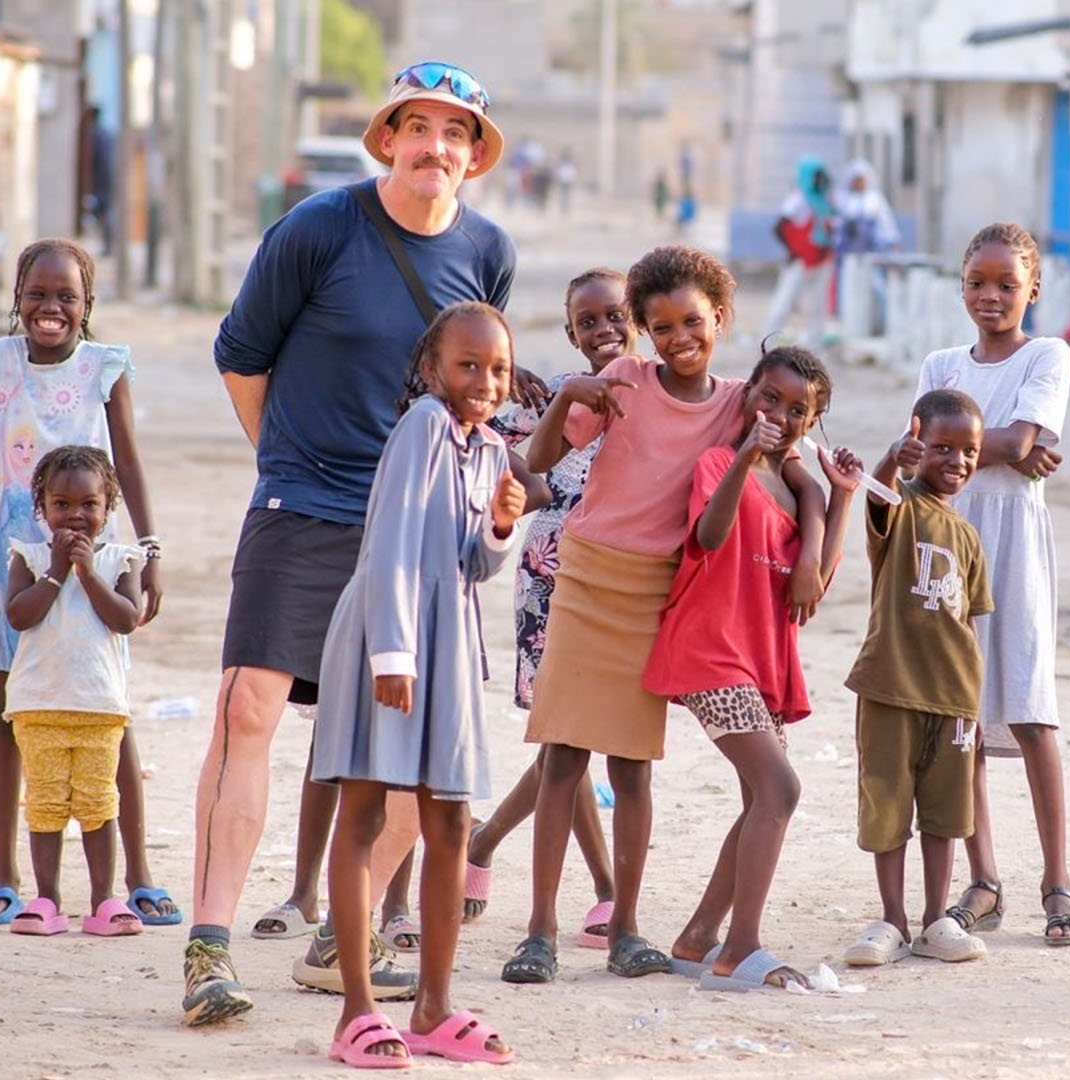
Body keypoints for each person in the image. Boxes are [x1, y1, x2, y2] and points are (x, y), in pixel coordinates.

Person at [188, 61, 522, 1026]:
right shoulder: (317, 230)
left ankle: (350, 928)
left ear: (474, 155)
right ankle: (210, 946)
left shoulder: (490, 251)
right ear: (387, 140)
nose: (435, 147)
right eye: (417, 127)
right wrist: (286, 461)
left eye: (455, 132)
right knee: (247, 708)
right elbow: (240, 356)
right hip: (304, 507)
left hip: (419, 529)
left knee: (424, 736)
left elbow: (475, 385)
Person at [507, 246, 826, 984]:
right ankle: (539, 933)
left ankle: (625, 930)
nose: (680, 338)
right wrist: (570, 395)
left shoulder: (743, 401)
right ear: (644, 332)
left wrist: (810, 554)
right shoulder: (622, 380)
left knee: (634, 765)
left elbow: (803, 478)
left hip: (659, 592)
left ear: (722, 317)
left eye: (694, 321)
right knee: (563, 758)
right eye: (662, 327)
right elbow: (540, 458)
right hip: (589, 582)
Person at [313, 302, 523, 1067]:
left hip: (451, 645)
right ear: (433, 368)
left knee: (452, 822)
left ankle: (434, 1006)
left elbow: (470, 565)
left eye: (498, 368)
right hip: (387, 635)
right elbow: (396, 538)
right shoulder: (422, 428)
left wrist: (501, 528)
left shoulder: (492, 449)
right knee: (364, 809)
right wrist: (391, 655)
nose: (484, 381)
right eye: (468, 365)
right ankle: (357, 1011)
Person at [0, 238, 176, 930]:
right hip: (9, 553)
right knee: (6, 702)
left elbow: (131, 463)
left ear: (88, 306)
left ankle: (137, 874)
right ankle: (6, 877)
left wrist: (148, 548)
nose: (51, 308)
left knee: (108, 703)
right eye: (37, 295)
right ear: (17, 300)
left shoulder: (105, 369)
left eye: (66, 297)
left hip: (94, 557)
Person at [648, 346, 859, 990]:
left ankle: (698, 936)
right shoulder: (719, 462)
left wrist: (840, 498)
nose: (780, 414)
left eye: (799, 409)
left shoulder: (803, 495)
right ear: (748, 397)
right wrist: (744, 458)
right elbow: (708, 539)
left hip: (762, 658)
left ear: (812, 421)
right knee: (782, 790)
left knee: (758, 802)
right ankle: (741, 947)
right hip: (711, 650)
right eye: (770, 398)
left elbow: (813, 586)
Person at [916, 223, 1070, 946]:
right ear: (960, 286)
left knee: (1030, 707)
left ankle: (1059, 882)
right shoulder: (940, 361)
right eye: (977, 283)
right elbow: (925, 458)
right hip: (947, 543)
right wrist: (1003, 446)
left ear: (1033, 291)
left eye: (1006, 285)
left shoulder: (1048, 353)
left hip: (1013, 542)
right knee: (962, 718)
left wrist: (956, 448)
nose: (990, 296)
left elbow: (1017, 443)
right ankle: (983, 881)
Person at [465, 269, 628, 936]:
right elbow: (480, 418)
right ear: (572, 334)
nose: (604, 330)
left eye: (615, 316)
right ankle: (608, 888)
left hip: (623, 578)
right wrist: (515, 373)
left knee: (579, 737)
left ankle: (484, 843)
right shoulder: (556, 394)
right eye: (588, 322)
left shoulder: (662, 393)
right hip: (550, 574)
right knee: (570, 735)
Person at [841, 390, 992, 967]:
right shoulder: (898, 506)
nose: (956, 460)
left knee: (945, 812)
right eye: (943, 447)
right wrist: (890, 462)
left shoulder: (969, 537)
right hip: (889, 686)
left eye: (969, 451)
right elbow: (874, 496)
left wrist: (975, 708)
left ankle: (934, 921)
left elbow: (970, 628)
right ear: (918, 443)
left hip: (953, 696)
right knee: (887, 804)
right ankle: (891, 920)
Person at [1, 445, 146, 938]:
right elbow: (20, 614)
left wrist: (86, 572)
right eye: (62, 504)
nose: (76, 515)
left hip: (99, 707)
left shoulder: (121, 561)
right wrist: (58, 571)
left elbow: (127, 619)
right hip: (38, 706)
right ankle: (46, 900)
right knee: (44, 802)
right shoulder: (29, 556)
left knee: (97, 802)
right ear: (42, 507)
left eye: (89, 504)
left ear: (109, 508)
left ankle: (103, 900)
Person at [760, 155, 835, 346]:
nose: (820, 180)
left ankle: (813, 346)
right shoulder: (798, 199)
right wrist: (793, 250)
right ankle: (769, 342)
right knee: (784, 304)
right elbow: (779, 226)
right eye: (816, 177)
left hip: (821, 260)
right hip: (801, 260)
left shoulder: (825, 200)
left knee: (817, 307)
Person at [836, 159, 900, 338]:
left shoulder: (875, 201)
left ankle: (879, 328)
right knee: (850, 294)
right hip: (849, 259)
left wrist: (892, 247)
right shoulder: (844, 201)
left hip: (872, 257)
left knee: (878, 291)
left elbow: (887, 227)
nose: (858, 183)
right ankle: (851, 329)